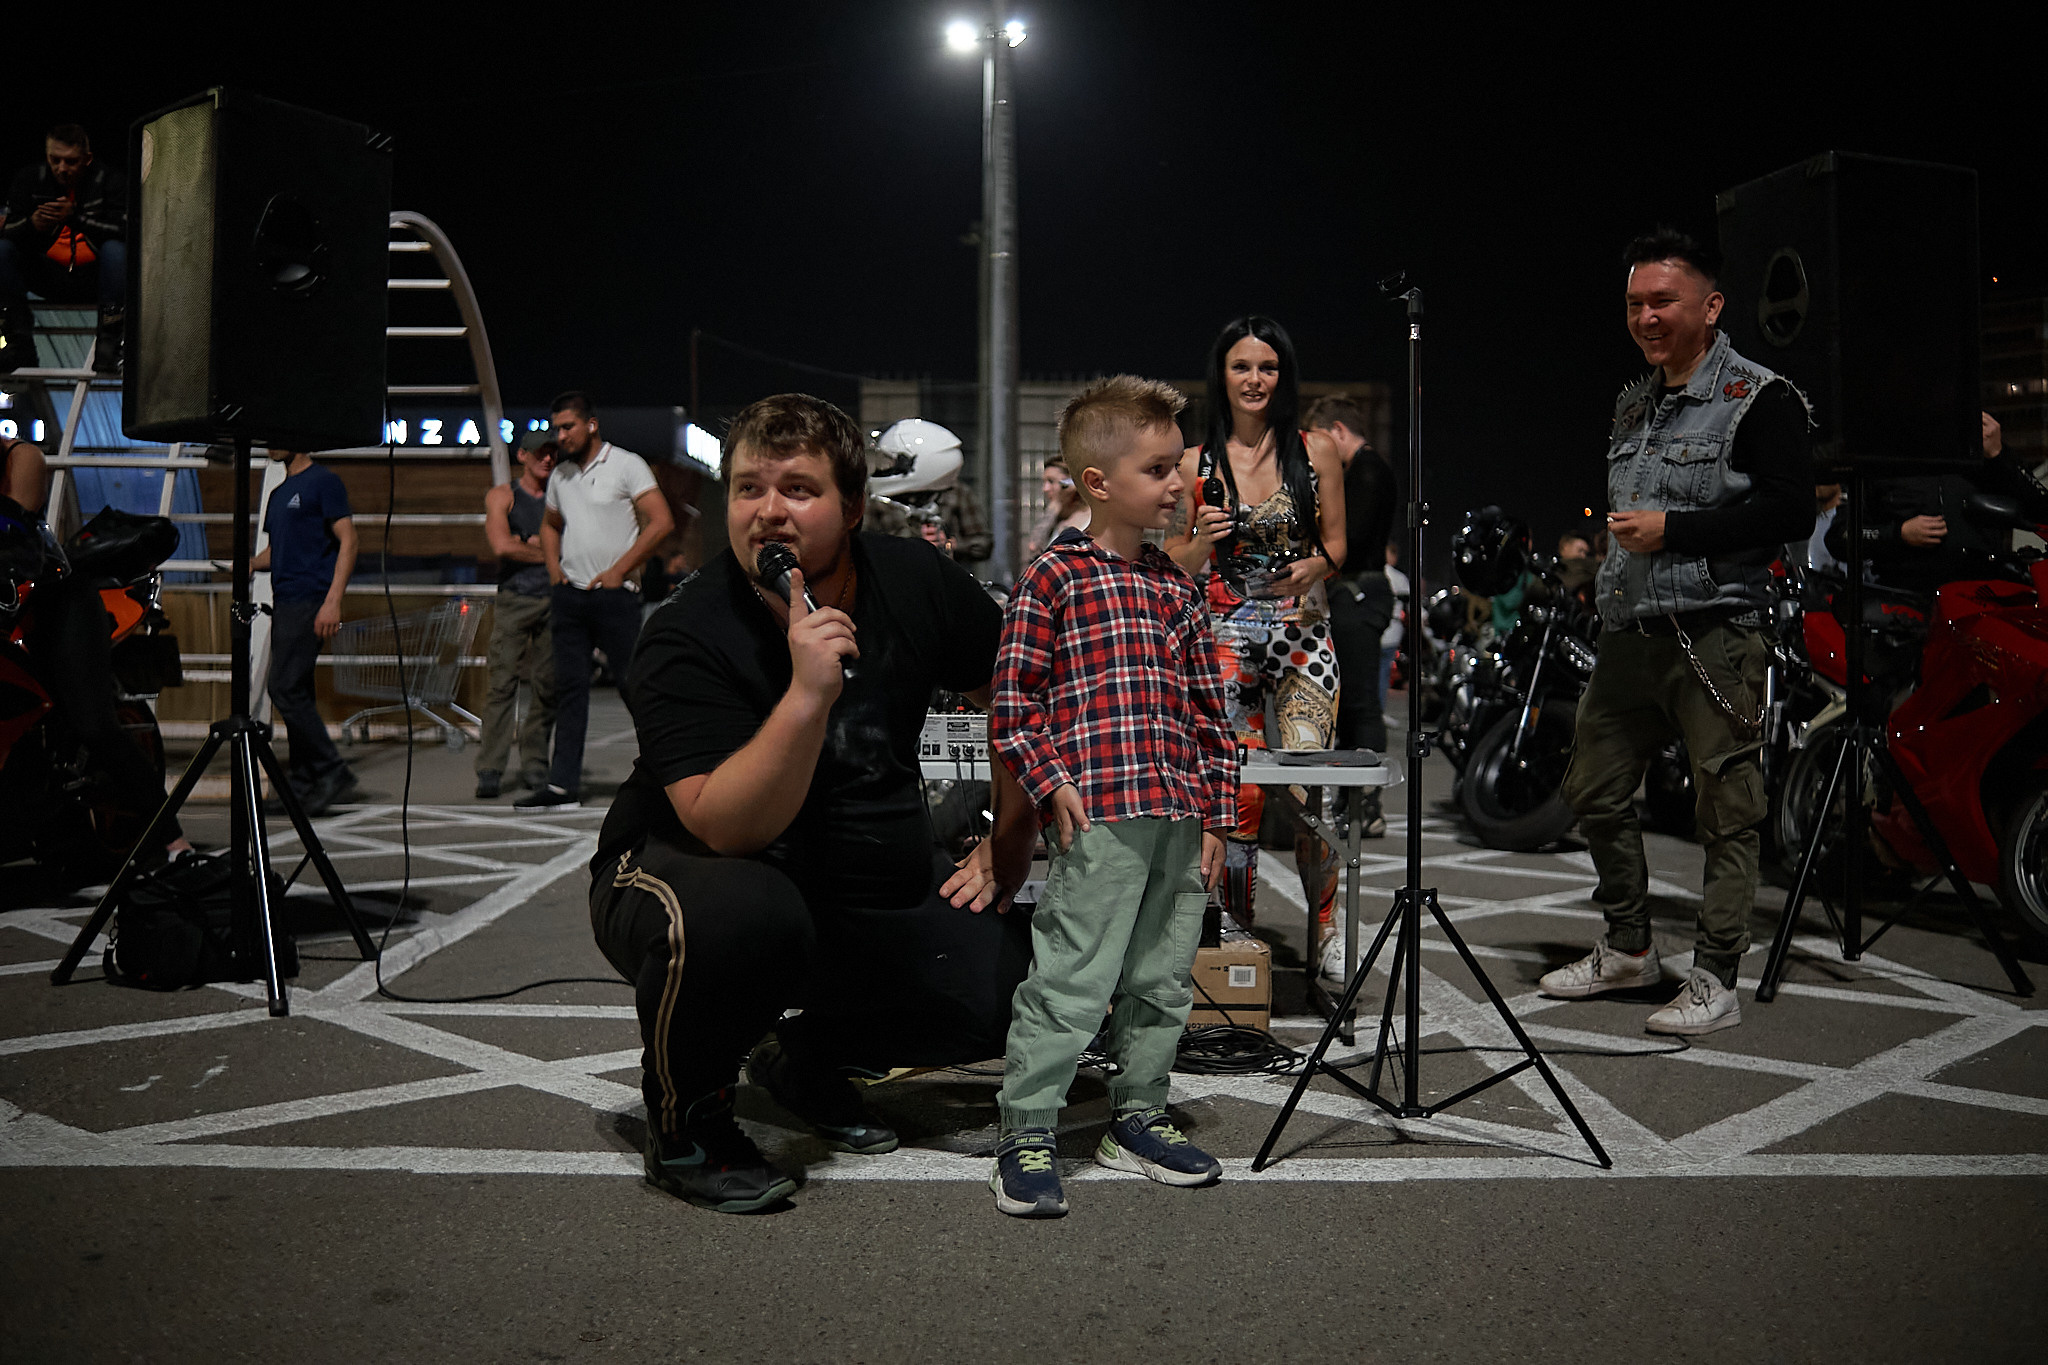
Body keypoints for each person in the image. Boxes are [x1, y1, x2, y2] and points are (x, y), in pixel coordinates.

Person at [588, 392, 1035, 1214]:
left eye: (798, 489)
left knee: (1025, 992)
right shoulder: (688, 629)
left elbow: (1018, 691)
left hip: (858, 883)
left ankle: (804, 1052)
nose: (767, 511)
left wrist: (1011, 835)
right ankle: (688, 1123)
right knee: (744, 916)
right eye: (749, 487)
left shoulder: (914, 579)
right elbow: (725, 823)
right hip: (696, 872)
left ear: (854, 507)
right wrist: (802, 697)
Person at [1543, 227, 1813, 1035]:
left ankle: (1716, 976)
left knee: (1726, 809)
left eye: (1663, 300)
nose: (1647, 316)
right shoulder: (1635, 401)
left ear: (1711, 304)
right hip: (1631, 635)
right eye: (1634, 303)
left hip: (1717, 633)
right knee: (1591, 786)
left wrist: (1678, 530)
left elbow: (1790, 509)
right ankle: (1629, 946)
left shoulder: (1762, 399)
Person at [986, 375, 1236, 1219]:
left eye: (1179, 466)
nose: (1180, 485)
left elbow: (1211, 711)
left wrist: (1214, 812)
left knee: (1163, 975)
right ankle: (1026, 1129)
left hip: (1174, 812)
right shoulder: (1054, 575)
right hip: (1099, 814)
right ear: (1099, 482)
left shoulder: (1176, 586)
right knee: (1071, 977)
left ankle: (1137, 1117)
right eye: (1161, 469)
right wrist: (1051, 781)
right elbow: (1012, 702)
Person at [1167, 316, 1346, 970]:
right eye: (1242, 366)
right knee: (1233, 789)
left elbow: (1339, 544)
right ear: (1222, 374)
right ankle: (1235, 925)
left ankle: (1327, 929)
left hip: (1303, 635)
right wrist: (1201, 540)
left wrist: (1316, 565)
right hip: (1225, 638)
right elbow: (1177, 563)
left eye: (1267, 367)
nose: (1254, 379)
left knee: (1310, 787)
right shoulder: (1193, 461)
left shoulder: (1316, 449)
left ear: (1283, 375)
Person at [518, 391, 673, 812]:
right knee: (569, 691)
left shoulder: (626, 464)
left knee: (632, 686)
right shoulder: (561, 476)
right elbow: (551, 526)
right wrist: (554, 571)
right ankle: (563, 786)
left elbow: (661, 522)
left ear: (591, 424)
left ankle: (667, 779)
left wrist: (620, 571)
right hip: (570, 597)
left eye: (568, 426)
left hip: (614, 596)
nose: (561, 436)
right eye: (557, 428)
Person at [1825, 413, 2048, 593]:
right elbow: (1840, 536)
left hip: (1981, 598)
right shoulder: (1879, 462)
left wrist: (2000, 455)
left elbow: (2041, 512)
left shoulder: (1985, 456)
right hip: (1909, 604)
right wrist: (1899, 534)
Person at [1306, 392, 1396, 838]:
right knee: (1351, 703)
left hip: (1362, 591)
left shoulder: (1366, 471)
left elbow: (1353, 538)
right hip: (1360, 592)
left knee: (1360, 702)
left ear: (1337, 432)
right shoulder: (1366, 469)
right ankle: (1351, 797)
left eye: (1320, 441)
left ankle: (1366, 804)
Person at [253, 449, 360, 817]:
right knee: (295, 690)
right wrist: (248, 564)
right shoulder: (279, 493)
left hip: (309, 600)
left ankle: (332, 770)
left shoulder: (323, 482)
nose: (269, 443)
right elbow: (275, 551)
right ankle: (302, 783)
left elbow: (349, 540)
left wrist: (333, 601)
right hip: (286, 601)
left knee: (282, 687)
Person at [1, 124, 126, 374]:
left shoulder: (109, 180)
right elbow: (9, 228)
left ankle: (109, 348)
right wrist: (32, 224)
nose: (61, 168)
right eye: (54, 160)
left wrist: (76, 218)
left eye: (71, 161)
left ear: (87, 159)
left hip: (93, 276)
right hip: (47, 274)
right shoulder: (30, 178)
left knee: (116, 250)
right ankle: (20, 346)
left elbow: (126, 229)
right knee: (1, 250)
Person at [475, 432, 560, 799]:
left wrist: (530, 544)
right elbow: (501, 545)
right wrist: (551, 551)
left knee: (547, 687)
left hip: (555, 600)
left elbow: (580, 545)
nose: (547, 459)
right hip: (515, 599)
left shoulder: (563, 496)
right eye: (541, 453)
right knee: (501, 684)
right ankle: (491, 769)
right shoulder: (503, 495)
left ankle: (535, 765)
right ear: (523, 455)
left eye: (552, 453)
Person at [1023, 456, 1089, 560]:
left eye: (1051, 481)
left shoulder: (1090, 518)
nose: (1045, 489)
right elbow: (1033, 547)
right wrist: (1053, 509)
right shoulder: (1054, 517)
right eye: (1044, 482)